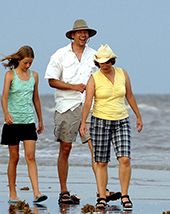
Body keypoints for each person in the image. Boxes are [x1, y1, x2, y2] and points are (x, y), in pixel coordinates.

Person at [45, 19, 120, 204]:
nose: (83, 35)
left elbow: (106, 75)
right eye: (79, 32)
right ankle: (64, 191)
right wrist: (73, 87)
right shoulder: (60, 55)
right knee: (66, 147)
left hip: (92, 107)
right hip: (66, 106)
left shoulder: (95, 56)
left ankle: (102, 192)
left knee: (97, 149)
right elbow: (51, 80)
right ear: (72, 35)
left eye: (86, 32)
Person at [80, 44, 143, 210]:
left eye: (107, 61)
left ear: (112, 61)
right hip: (100, 121)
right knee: (101, 161)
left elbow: (129, 95)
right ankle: (102, 197)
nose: (104, 65)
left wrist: (138, 115)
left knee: (125, 158)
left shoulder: (123, 74)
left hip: (121, 120)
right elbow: (88, 103)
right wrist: (82, 123)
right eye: (101, 62)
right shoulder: (94, 78)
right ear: (97, 63)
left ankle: (125, 195)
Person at [0, 45, 48, 204]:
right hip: (13, 122)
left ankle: (36, 192)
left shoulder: (34, 76)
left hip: (28, 121)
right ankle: (12, 193)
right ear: (19, 60)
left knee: (31, 157)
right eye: (26, 62)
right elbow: (4, 97)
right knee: (14, 158)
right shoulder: (10, 75)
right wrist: (6, 113)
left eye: (30, 63)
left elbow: (36, 99)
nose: (28, 66)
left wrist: (40, 119)